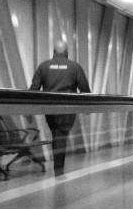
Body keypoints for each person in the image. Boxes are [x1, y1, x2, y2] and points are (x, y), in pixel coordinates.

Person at [30, 40, 90, 175]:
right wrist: (88, 107)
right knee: (61, 136)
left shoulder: (43, 66)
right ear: (67, 52)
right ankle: (58, 171)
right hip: (68, 109)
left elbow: (33, 89)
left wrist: (28, 110)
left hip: (49, 109)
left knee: (57, 135)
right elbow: (85, 89)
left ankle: (58, 169)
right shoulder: (75, 67)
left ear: (53, 51)